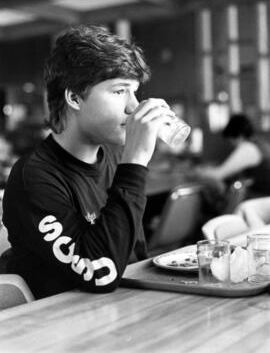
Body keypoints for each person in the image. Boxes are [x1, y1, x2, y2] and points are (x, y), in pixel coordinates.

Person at [0, 25, 176, 299]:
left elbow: (134, 256)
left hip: (125, 307)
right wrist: (136, 161)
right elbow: (100, 272)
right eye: (119, 91)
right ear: (74, 97)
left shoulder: (116, 156)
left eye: (134, 92)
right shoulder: (33, 177)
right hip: (63, 328)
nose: (133, 106)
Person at [195, 113, 270, 198]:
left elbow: (218, 174)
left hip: (261, 199)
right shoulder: (260, 144)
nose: (232, 145)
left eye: (231, 141)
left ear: (238, 136)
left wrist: (198, 171)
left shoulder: (248, 148)